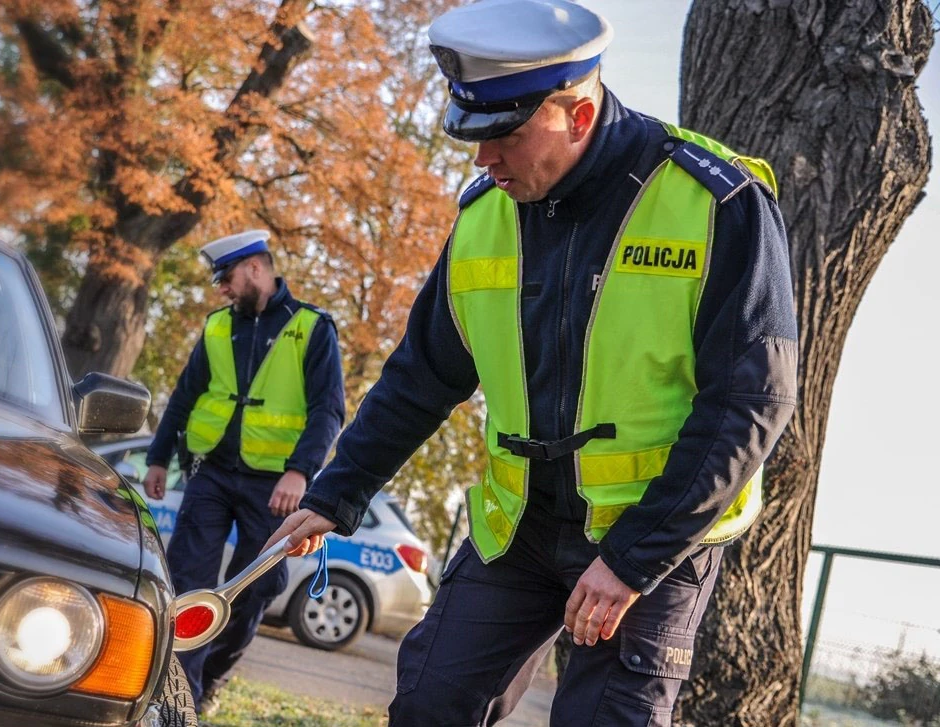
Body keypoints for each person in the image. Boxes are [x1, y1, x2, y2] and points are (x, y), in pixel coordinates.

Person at [267, 1, 798, 725]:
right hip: (518, 529)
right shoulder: (484, 214)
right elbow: (422, 375)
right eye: (473, 135)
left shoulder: (716, 201)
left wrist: (633, 559)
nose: (483, 159)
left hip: (652, 532)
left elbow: (751, 401)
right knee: (429, 703)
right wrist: (336, 493)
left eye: (506, 136)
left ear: (577, 115)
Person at [142, 230, 345, 712]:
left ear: (256, 268)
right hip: (210, 474)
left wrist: (300, 472)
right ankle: (180, 701)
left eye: (226, 277)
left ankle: (210, 677)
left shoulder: (312, 327)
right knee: (189, 584)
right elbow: (185, 395)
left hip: (275, 486)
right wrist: (158, 457)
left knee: (256, 590)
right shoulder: (217, 327)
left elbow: (328, 410)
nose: (222, 289)